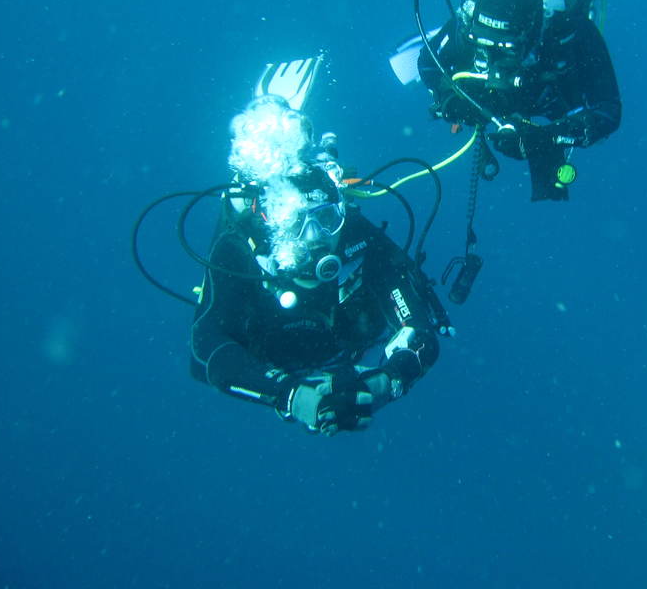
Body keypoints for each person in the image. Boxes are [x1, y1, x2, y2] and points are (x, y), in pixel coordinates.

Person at [189, 81, 454, 436]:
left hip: (342, 347)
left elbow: (419, 330)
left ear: (341, 212)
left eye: (327, 218)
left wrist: (384, 381)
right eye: (296, 223)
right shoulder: (240, 252)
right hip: (272, 359)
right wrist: (290, 395)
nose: (316, 237)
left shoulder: (357, 238)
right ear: (273, 223)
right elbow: (206, 348)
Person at [414, 0, 626, 202]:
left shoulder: (570, 31)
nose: (494, 55)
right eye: (486, 43)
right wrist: (451, 101)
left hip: (549, 92)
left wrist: (548, 137)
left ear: (532, 32)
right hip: (502, 86)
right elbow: (427, 64)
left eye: (507, 48)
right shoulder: (466, 26)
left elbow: (609, 110)